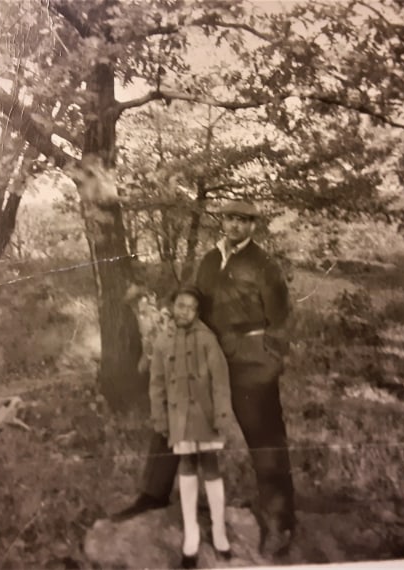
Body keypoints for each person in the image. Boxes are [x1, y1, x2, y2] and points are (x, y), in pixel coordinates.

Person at [113, 200, 296, 559]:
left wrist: (270, 360)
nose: (235, 226)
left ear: (252, 226)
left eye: (243, 221)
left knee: (265, 437)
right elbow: (195, 296)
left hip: (250, 359)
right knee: (173, 415)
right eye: (230, 219)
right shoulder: (211, 260)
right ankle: (152, 495)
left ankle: (280, 522)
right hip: (205, 352)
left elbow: (282, 318)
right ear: (222, 222)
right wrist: (176, 312)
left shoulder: (264, 265)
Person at [148, 286, 233, 568]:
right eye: (180, 305)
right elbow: (157, 384)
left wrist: (222, 413)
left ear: (197, 312)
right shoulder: (162, 341)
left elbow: (220, 381)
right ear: (173, 306)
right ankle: (192, 533)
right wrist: (159, 416)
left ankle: (219, 531)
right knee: (186, 463)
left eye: (190, 307)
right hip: (179, 415)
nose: (184, 311)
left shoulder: (208, 339)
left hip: (205, 414)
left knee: (210, 464)